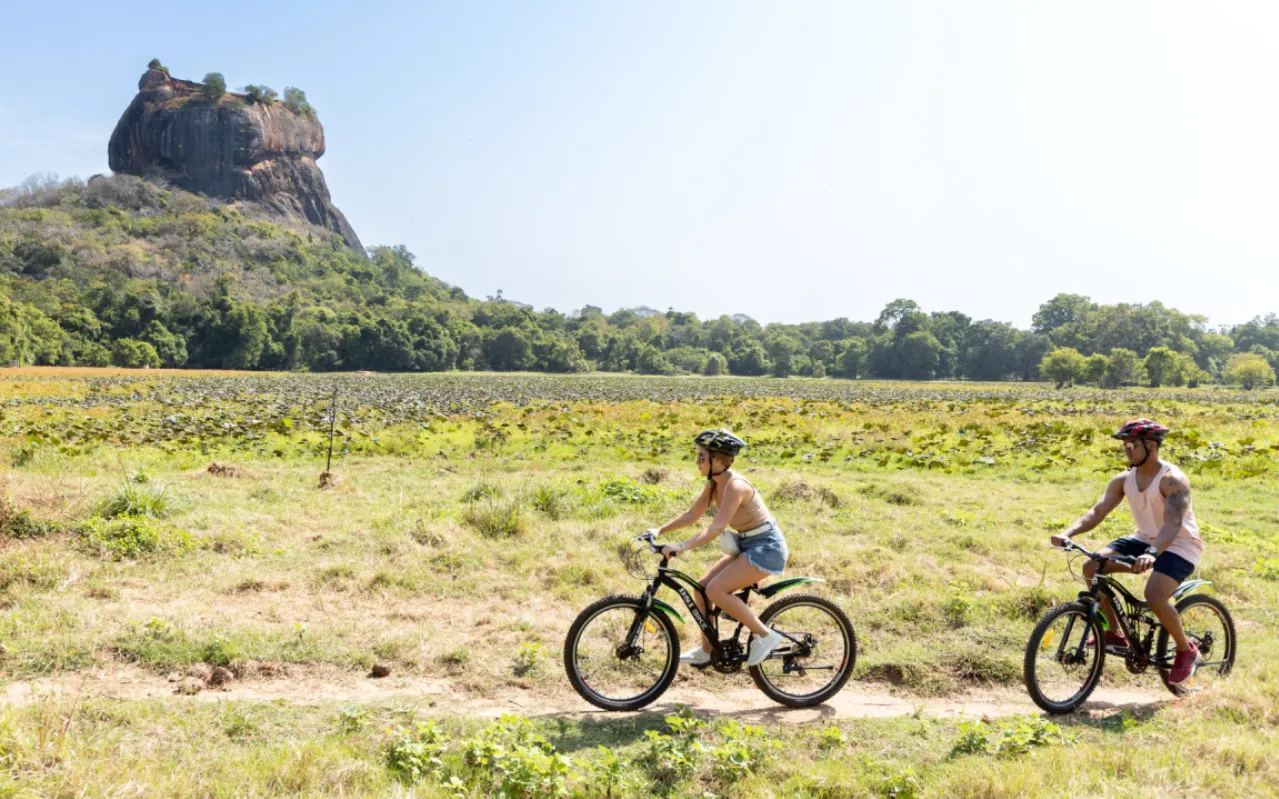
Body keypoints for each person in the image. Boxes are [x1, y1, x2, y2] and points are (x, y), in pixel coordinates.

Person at [1050, 418, 1204, 686]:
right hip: (1143, 539)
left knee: (1154, 595)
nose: (1127, 449)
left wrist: (1153, 553)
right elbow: (1097, 511)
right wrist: (1068, 533)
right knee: (1092, 567)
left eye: (1133, 444)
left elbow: (1173, 524)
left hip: (1180, 544)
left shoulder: (1172, 480)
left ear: (1152, 446)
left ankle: (1185, 650)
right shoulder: (1123, 479)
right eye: (1125, 444)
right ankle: (1115, 633)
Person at [649, 429, 789, 667]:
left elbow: (715, 529)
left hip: (767, 548)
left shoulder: (736, 487)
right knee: (702, 588)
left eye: (702, 457)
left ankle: (765, 636)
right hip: (746, 544)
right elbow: (693, 514)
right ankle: (707, 650)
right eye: (698, 456)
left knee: (716, 590)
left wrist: (681, 546)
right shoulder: (714, 484)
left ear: (720, 460)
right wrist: (659, 530)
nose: (697, 462)